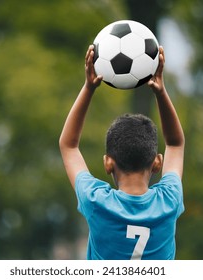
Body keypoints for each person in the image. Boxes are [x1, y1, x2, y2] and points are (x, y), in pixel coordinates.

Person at [59, 44, 185, 260]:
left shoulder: (96, 201)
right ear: (157, 162)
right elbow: (175, 143)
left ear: (108, 163)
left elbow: (68, 145)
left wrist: (89, 87)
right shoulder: (169, 201)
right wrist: (161, 92)